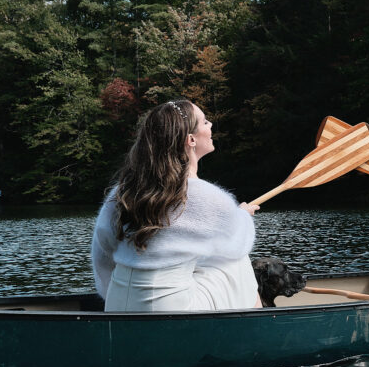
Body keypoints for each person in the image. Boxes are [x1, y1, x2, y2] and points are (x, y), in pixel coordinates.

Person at [91, 99, 261, 312]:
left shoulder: (123, 191)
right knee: (237, 261)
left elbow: (102, 253)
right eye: (205, 122)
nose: (211, 126)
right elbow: (239, 242)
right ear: (191, 139)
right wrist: (243, 215)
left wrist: (109, 296)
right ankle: (256, 330)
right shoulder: (209, 196)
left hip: (117, 303)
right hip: (167, 308)